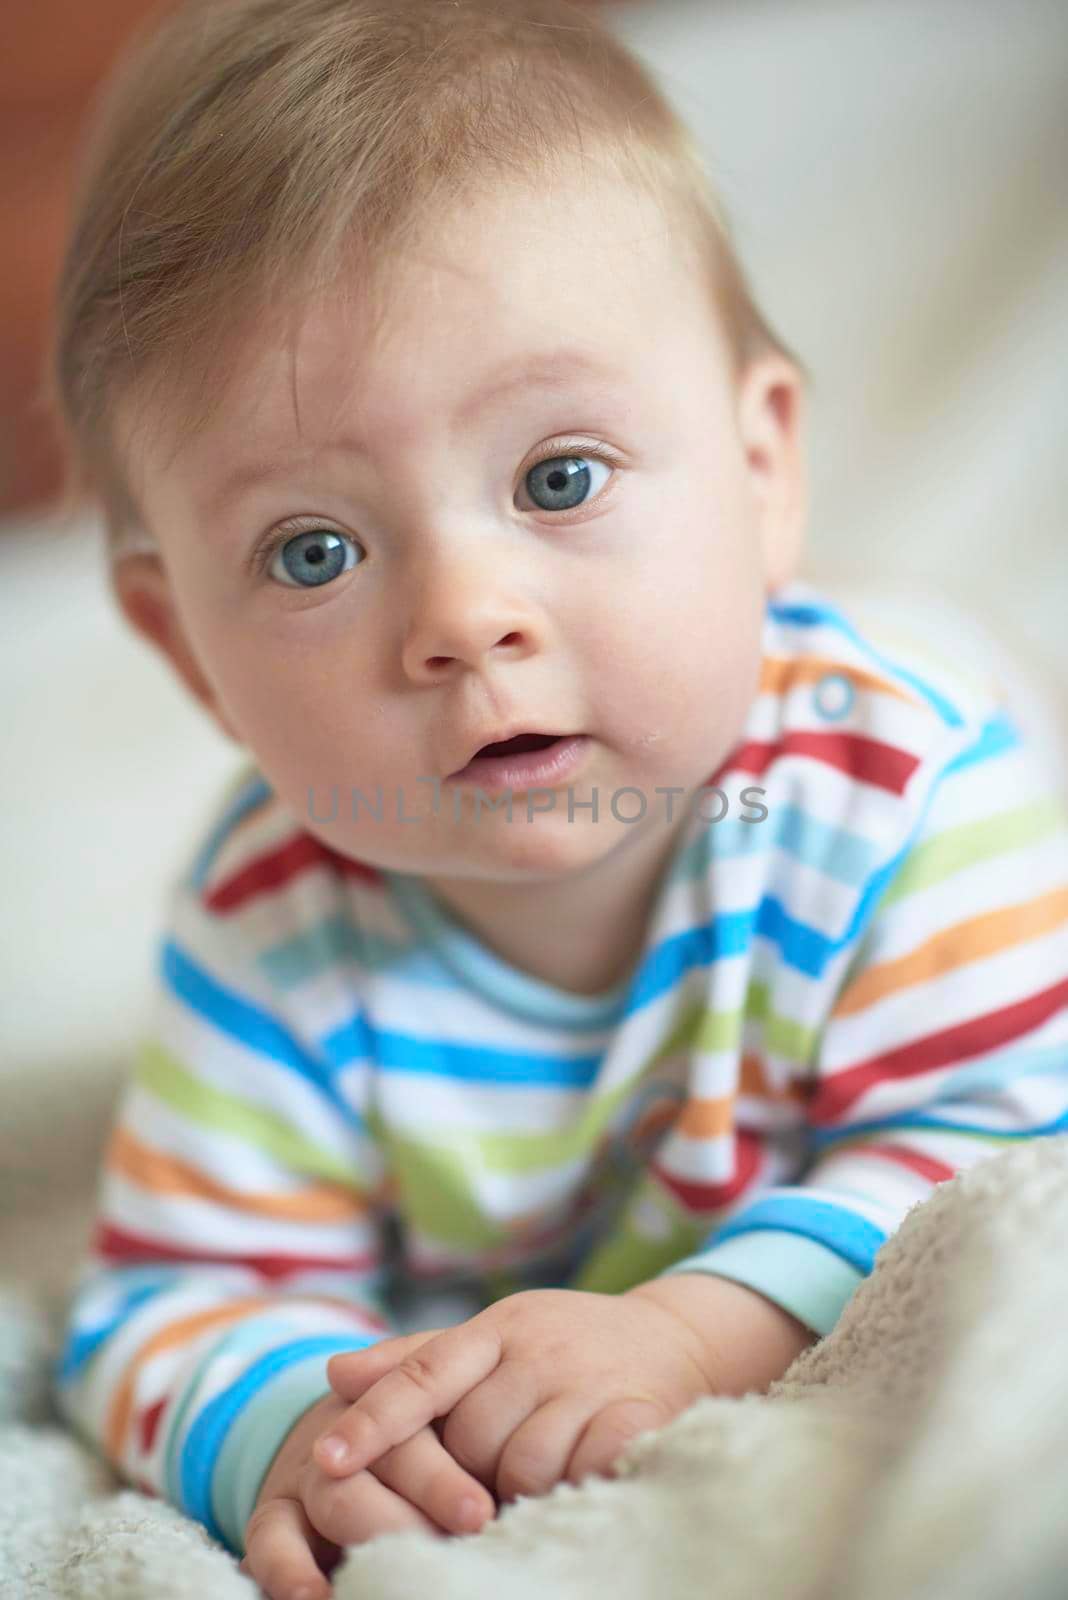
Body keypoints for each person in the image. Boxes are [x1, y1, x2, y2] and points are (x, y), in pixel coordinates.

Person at [43, 1, 1068, 1597]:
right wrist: (319, 1435)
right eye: (313, 550)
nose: (466, 612)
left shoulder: (901, 787)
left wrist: (683, 1330)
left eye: (559, 477)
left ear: (761, 470)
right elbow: (167, 1300)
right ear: (186, 645)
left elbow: (1005, 1134)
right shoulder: (272, 924)